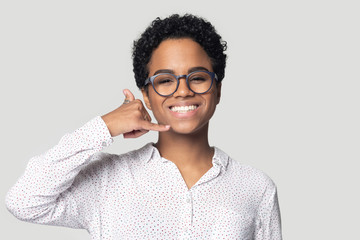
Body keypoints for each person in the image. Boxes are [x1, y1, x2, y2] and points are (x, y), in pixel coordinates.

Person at [6, 14, 282, 239]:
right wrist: (104, 126)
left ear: (217, 90)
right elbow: (23, 201)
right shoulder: (107, 180)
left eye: (197, 78)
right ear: (147, 96)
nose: (183, 91)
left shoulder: (255, 187)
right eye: (165, 80)